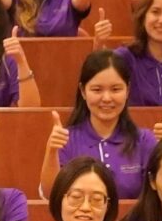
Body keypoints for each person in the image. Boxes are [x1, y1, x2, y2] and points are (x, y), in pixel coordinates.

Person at [40, 50, 149, 200]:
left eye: (116, 89)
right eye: (97, 90)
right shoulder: (66, 139)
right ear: (83, 91)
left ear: (128, 90)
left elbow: (156, 196)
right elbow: (51, 195)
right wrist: (51, 152)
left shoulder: (144, 140)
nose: (106, 98)